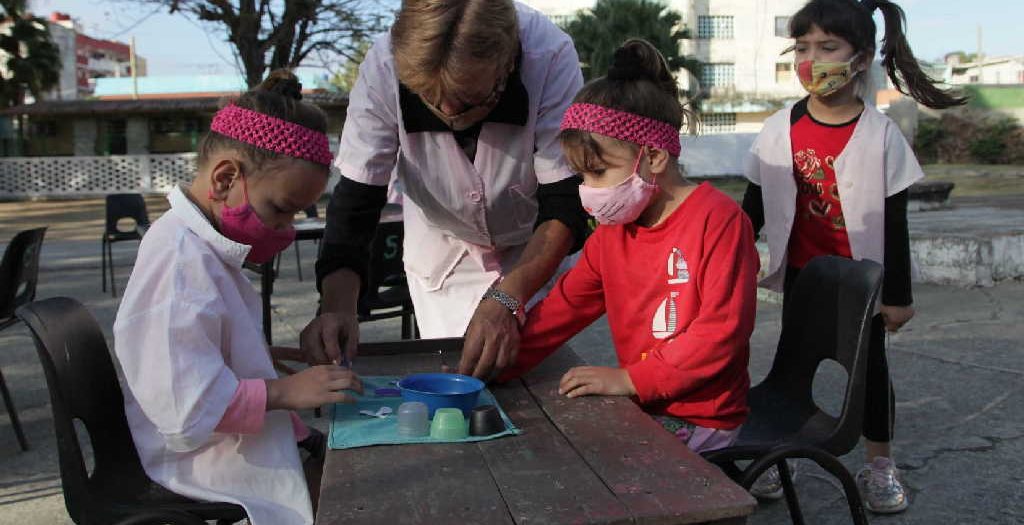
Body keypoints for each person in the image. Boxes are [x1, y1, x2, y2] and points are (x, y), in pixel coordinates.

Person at [741, 0, 966, 513]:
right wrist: (725, 262)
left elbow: (896, 222)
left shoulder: (880, 135)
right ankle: (787, 452)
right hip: (805, 275)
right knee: (793, 365)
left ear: (860, 59)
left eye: (827, 47)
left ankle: (880, 463)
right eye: (802, 47)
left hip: (863, 282)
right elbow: (750, 208)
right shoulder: (778, 129)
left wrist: (899, 297)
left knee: (870, 371)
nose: (811, 59)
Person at [113, 71, 364, 525]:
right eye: (281, 209)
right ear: (226, 178)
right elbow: (185, 408)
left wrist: (266, 360)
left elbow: (199, 351)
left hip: (229, 441)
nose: (288, 230)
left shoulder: (203, 251)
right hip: (199, 465)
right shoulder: (178, 263)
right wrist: (284, 391)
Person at [491, 39, 760, 453]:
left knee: (598, 472)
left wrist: (630, 379)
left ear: (653, 157)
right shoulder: (613, 234)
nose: (587, 192)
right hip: (644, 405)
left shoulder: (719, 221)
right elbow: (561, 310)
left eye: (597, 172)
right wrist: (496, 365)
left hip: (702, 417)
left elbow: (719, 333)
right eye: (581, 176)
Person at [305, 0, 590, 379]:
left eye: (466, 102)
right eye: (428, 98)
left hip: (535, 243)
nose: (448, 114)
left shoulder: (548, 54)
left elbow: (565, 202)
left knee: (545, 382)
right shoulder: (383, 65)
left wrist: (509, 296)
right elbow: (357, 201)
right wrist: (337, 306)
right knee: (454, 384)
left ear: (506, 64)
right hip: (445, 247)